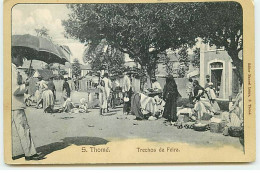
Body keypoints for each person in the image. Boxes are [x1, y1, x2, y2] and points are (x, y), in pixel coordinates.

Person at [11, 54, 40, 160]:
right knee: (23, 129)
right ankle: (30, 153)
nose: (22, 60)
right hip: (15, 104)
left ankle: (30, 152)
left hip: (10, 105)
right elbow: (15, 90)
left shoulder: (12, 69)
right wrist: (26, 85)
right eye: (20, 57)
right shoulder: (12, 70)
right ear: (12, 57)